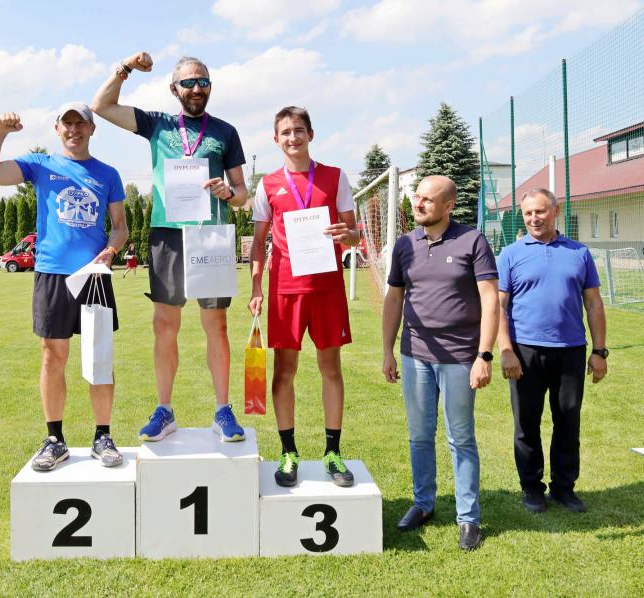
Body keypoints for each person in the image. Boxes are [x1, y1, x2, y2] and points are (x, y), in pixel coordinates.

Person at [92, 52, 249, 443]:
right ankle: (164, 410)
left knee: (217, 325)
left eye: (203, 81)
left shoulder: (225, 132)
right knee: (164, 325)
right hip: (168, 236)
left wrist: (228, 192)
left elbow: (243, 195)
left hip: (210, 235)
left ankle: (223, 410)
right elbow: (102, 106)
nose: (197, 88)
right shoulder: (157, 125)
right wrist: (125, 68)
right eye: (189, 82)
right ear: (174, 88)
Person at [0, 103, 128, 471]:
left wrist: (111, 251)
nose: (74, 129)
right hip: (52, 273)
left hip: (93, 276)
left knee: (99, 358)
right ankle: (55, 439)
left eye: (81, 123)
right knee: (52, 356)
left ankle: (103, 436)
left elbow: (120, 226)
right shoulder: (40, 165)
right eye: (67, 123)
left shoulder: (108, 174)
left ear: (92, 129)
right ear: (57, 129)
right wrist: (0, 132)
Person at [382, 175, 498, 551]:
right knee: (419, 435)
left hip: (460, 356)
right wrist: (387, 350)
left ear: (449, 206)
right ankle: (423, 504)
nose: (418, 204)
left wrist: (484, 355)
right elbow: (394, 299)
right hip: (415, 354)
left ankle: (469, 518)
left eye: (427, 200)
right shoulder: (405, 245)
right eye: (417, 197)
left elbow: (490, 300)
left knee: (460, 437)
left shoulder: (472, 241)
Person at [249, 106, 360, 488]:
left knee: (331, 368)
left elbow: (354, 234)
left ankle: (332, 451)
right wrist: (256, 287)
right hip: (286, 290)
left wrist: (348, 236)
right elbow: (258, 243)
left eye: (298, 130)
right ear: (275, 139)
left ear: (310, 134)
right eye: (285, 132)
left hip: (326, 288)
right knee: (284, 371)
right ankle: (288, 452)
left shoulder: (335, 176)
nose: (292, 137)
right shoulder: (268, 185)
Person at [497, 188, 607, 514]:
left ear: (556, 211)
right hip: (524, 351)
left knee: (568, 421)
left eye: (540, 211)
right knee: (526, 423)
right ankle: (532, 488)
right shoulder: (510, 254)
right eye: (528, 213)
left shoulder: (579, 253)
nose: (534, 218)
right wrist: (506, 349)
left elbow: (594, 303)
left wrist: (600, 351)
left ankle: (564, 488)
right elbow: (499, 307)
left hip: (570, 350)